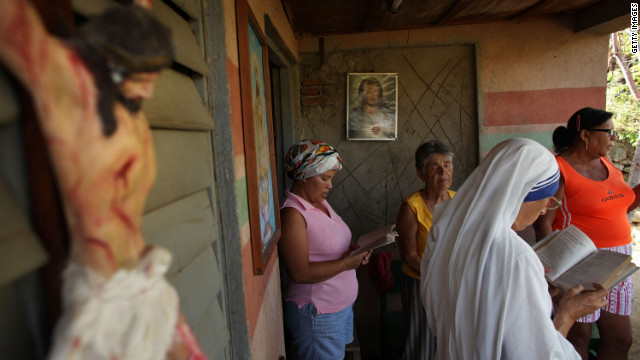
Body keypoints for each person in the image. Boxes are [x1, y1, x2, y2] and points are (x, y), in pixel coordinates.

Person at [0, 1, 206, 359]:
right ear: (109, 63)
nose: (149, 94)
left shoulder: (129, 114)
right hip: (105, 299)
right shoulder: (67, 87)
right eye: (143, 80)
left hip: (146, 282)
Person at [421, 137, 608, 359]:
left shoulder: (446, 230)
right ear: (520, 194)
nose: (543, 211)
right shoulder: (515, 257)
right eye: (547, 200)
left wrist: (532, 293)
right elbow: (538, 354)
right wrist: (568, 315)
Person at [534, 107, 640, 359]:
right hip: (581, 261)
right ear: (585, 135)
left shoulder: (606, 163)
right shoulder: (559, 169)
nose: (614, 137)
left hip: (617, 261)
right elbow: (543, 223)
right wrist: (554, 271)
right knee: (578, 338)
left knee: (620, 339)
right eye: (609, 132)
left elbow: (623, 204)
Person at [279, 139, 372, 360]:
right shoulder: (293, 214)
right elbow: (300, 273)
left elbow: (327, 241)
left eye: (331, 178)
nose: (330, 185)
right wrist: (346, 263)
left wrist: (353, 250)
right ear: (304, 176)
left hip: (338, 308)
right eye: (325, 178)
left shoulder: (319, 202)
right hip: (317, 314)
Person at [396, 140, 455, 360]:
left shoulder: (459, 201)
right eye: (435, 167)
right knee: (422, 341)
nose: (444, 172)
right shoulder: (411, 207)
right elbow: (410, 256)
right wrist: (438, 277)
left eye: (447, 165)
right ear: (421, 174)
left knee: (450, 340)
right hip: (421, 283)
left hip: (452, 283)